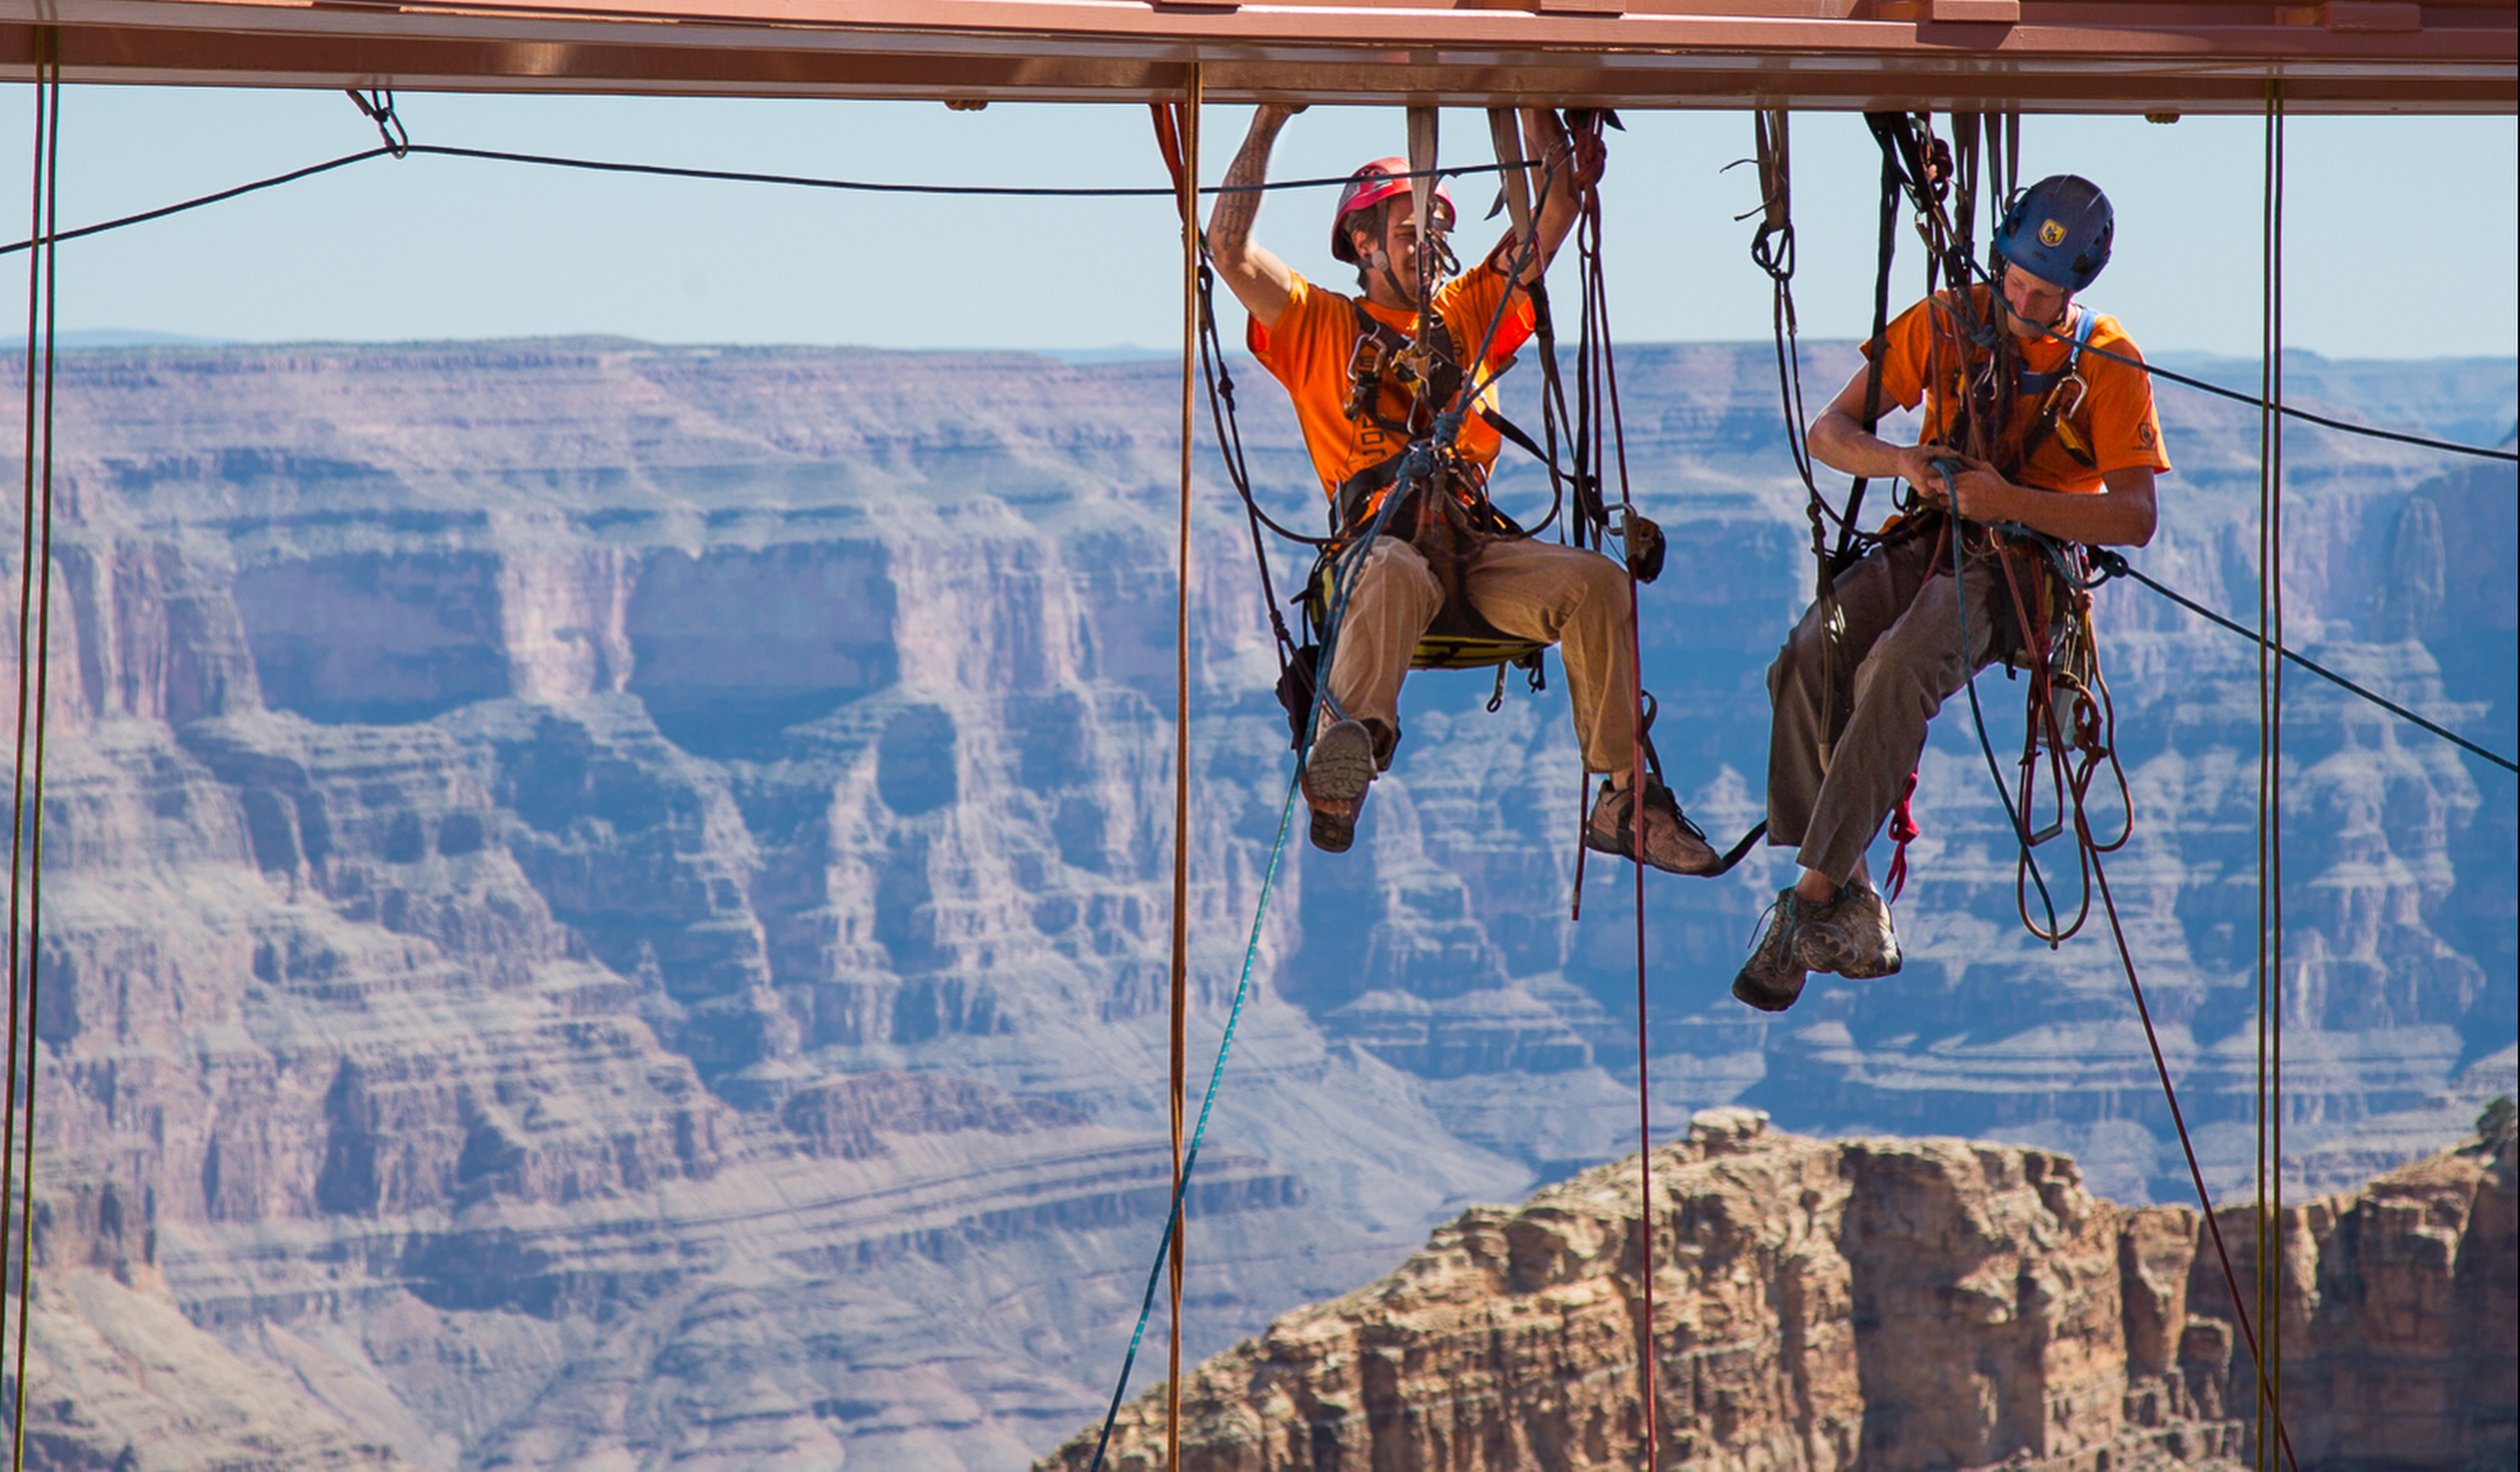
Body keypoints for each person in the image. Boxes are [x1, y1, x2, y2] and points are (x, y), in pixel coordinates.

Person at [1206, 103, 1719, 873]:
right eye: (1409, 229)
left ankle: (1623, 796)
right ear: (1362, 240)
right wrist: (1271, 120)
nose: (1429, 243)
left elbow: (1554, 214)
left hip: (1475, 553)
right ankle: (1344, 756)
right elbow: (1228, 247)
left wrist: (1532, 96)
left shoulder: (1470, 308)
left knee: (1598, 585)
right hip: (1377, 554)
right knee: (1389, 571)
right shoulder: (1318, 323)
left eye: (1437, 229)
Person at [1735, 174, 2168, 1012]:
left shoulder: (2107, 361)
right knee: (1805, 655)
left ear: (2075, 288)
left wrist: (2006, 502)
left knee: (1894, 669)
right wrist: (1901, 462)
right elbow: (1832, 431)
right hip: (1929, 534)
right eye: (2012, 280)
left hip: (2016, 571)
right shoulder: (1945, 322)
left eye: (2042, 294)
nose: (2020, 301)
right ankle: (1850, 886)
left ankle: (1811, 905)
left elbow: (2134, 516)